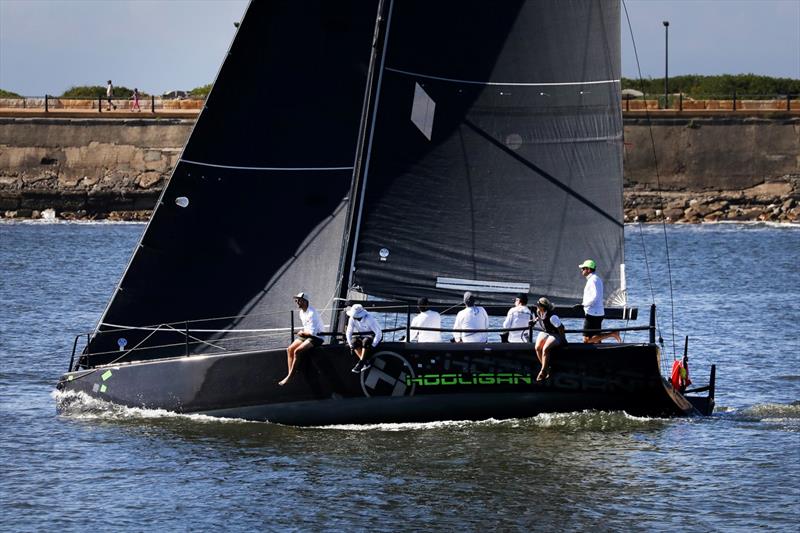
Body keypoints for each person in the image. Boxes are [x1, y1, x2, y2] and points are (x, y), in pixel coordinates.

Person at [278, 292, 324, 386]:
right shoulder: (301, 313)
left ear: (305, 301)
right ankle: (290, 373)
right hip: (307, 335)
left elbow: (313, 334)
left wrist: (301, 333)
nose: (296, 302)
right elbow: (307, 329)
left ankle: (290, 376)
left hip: (317, 337)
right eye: (296, 300)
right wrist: (302, 332)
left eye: (299, 300)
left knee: (297, 351)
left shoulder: (312, 313)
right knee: (289, 349)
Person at [578, 259, 621, 344]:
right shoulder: (596, 279)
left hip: (592, 313)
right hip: (597, 312)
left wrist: (583, 305)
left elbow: (594, 296)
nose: (581, 270)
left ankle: (612, 334)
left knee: (586, 340)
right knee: (596, 339)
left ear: (589, 269)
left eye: (583, 268)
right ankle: (600, 354)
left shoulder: (593, 280)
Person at [532, 297, 566, 382]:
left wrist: (563, 339)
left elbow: (561, 327)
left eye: (538, 305)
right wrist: (534, 321)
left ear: (543, 307)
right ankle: (547, 368)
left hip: (555, 333)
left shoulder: (552, 317)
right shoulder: (538, 312)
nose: (537, 307)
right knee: (537, 347)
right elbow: (540, 319)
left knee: (545, 349)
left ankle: (543, 371)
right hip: (546, 332)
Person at [345, 303, 382, 373]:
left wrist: (373, 345)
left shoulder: (369, 319)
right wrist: (351, 346)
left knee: (365, 341)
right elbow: (349, 332)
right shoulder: (352, 318)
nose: (354, 317)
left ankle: (361, 363)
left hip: (373, 336)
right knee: (353, 342)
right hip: (363, 336)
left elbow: (379, 333)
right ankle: (365, 363)